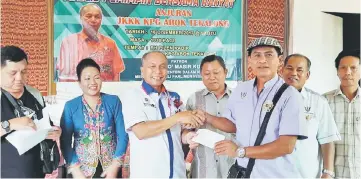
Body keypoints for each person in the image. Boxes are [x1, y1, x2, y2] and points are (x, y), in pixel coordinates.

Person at [212, 37, 308, 177]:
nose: (262, 60)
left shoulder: (290, 95)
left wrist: (240, 151)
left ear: (279, 61)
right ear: (249, 61)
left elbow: (286, 146)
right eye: (257, 55)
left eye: (269, 55)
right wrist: (204, 117)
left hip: (275, 175)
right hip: (244, 173)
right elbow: (232, 125)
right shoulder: (241, 90)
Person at [121, 51, 205, 178]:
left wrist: (189, 137)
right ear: (142, 70)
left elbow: (179, 133)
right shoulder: (133, 96)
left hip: (177, 173)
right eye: (152, 66)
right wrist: (177, 117)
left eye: (163, 66)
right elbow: (141, 131)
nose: (158, 71)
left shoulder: (174, 97)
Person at [60, 58, 128, 178]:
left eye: (97, 77)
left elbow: (123, 135)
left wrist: (115, 166)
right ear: (80, 83)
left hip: (110, 169)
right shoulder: (71, 106)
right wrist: (75, 170)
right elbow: (65, 141)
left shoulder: (113, 102)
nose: (93, 82)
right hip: (80, 170)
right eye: (87, 78)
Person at [1, 45, 62, 178]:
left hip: (35, 172)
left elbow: (45, 124)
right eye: (13, 73)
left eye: (23, 72)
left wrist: (53, 131)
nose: (19, 78)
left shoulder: (34, 94)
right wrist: (9, 125)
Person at [281, 53, 341, 178]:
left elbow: (327, 139)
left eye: (299, 70)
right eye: (289, 68)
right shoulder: (268, 98)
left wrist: (328, 172)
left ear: (307, 75)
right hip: (273, 173)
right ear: (282, 70)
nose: (293, 73)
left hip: (306, 174)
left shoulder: (318, 101)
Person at [183, 55, 235, 178]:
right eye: (207, 74)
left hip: (232, 167)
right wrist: (187, 135)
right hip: (203, 170)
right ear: (201, 75)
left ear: (225, 72)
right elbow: (185, 129)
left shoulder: (238, 98)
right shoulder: (194, 99)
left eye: (216, 72)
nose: (212, 77)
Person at [57, 3, 125, 82]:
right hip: (76, 91)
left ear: (101, 20)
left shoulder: (110, 43)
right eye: (88, 16)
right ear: (81, 18)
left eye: (97, 17)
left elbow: (116, 74)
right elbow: (63, 76)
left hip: (105, 91)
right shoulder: (69, 43)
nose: (93, 20)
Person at [323, 49, 360, 178]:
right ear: (337, 72)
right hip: (334, 175)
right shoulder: (324, 101)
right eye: (343, 68)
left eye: (353, 68)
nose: (348, 72)